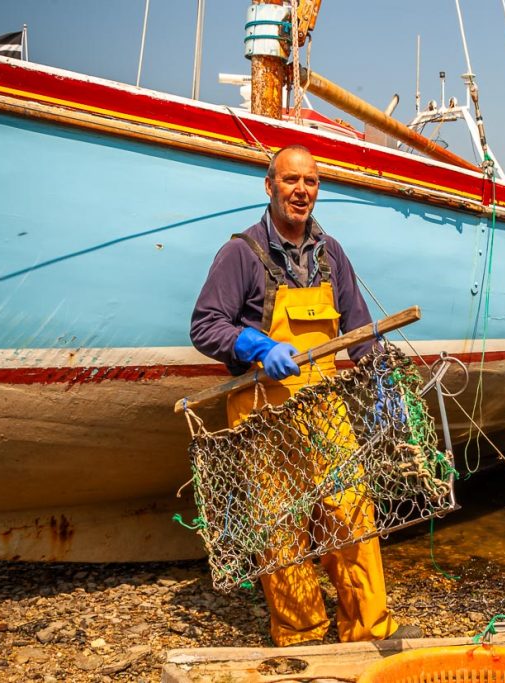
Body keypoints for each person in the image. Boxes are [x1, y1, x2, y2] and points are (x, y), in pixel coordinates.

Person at [190, 145, 422, 647]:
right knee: (280, 529)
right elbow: (206, 325)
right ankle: (303, 634)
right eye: (291, 180)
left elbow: (359, 330)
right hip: (263, 414)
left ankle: (367, 628)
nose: (301, 191)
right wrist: (254, 344)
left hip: (325, 408)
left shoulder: (330, 252)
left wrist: (382, 377)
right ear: (269, 185)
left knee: (352, 514)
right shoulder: (241, 253)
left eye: (311, 182)